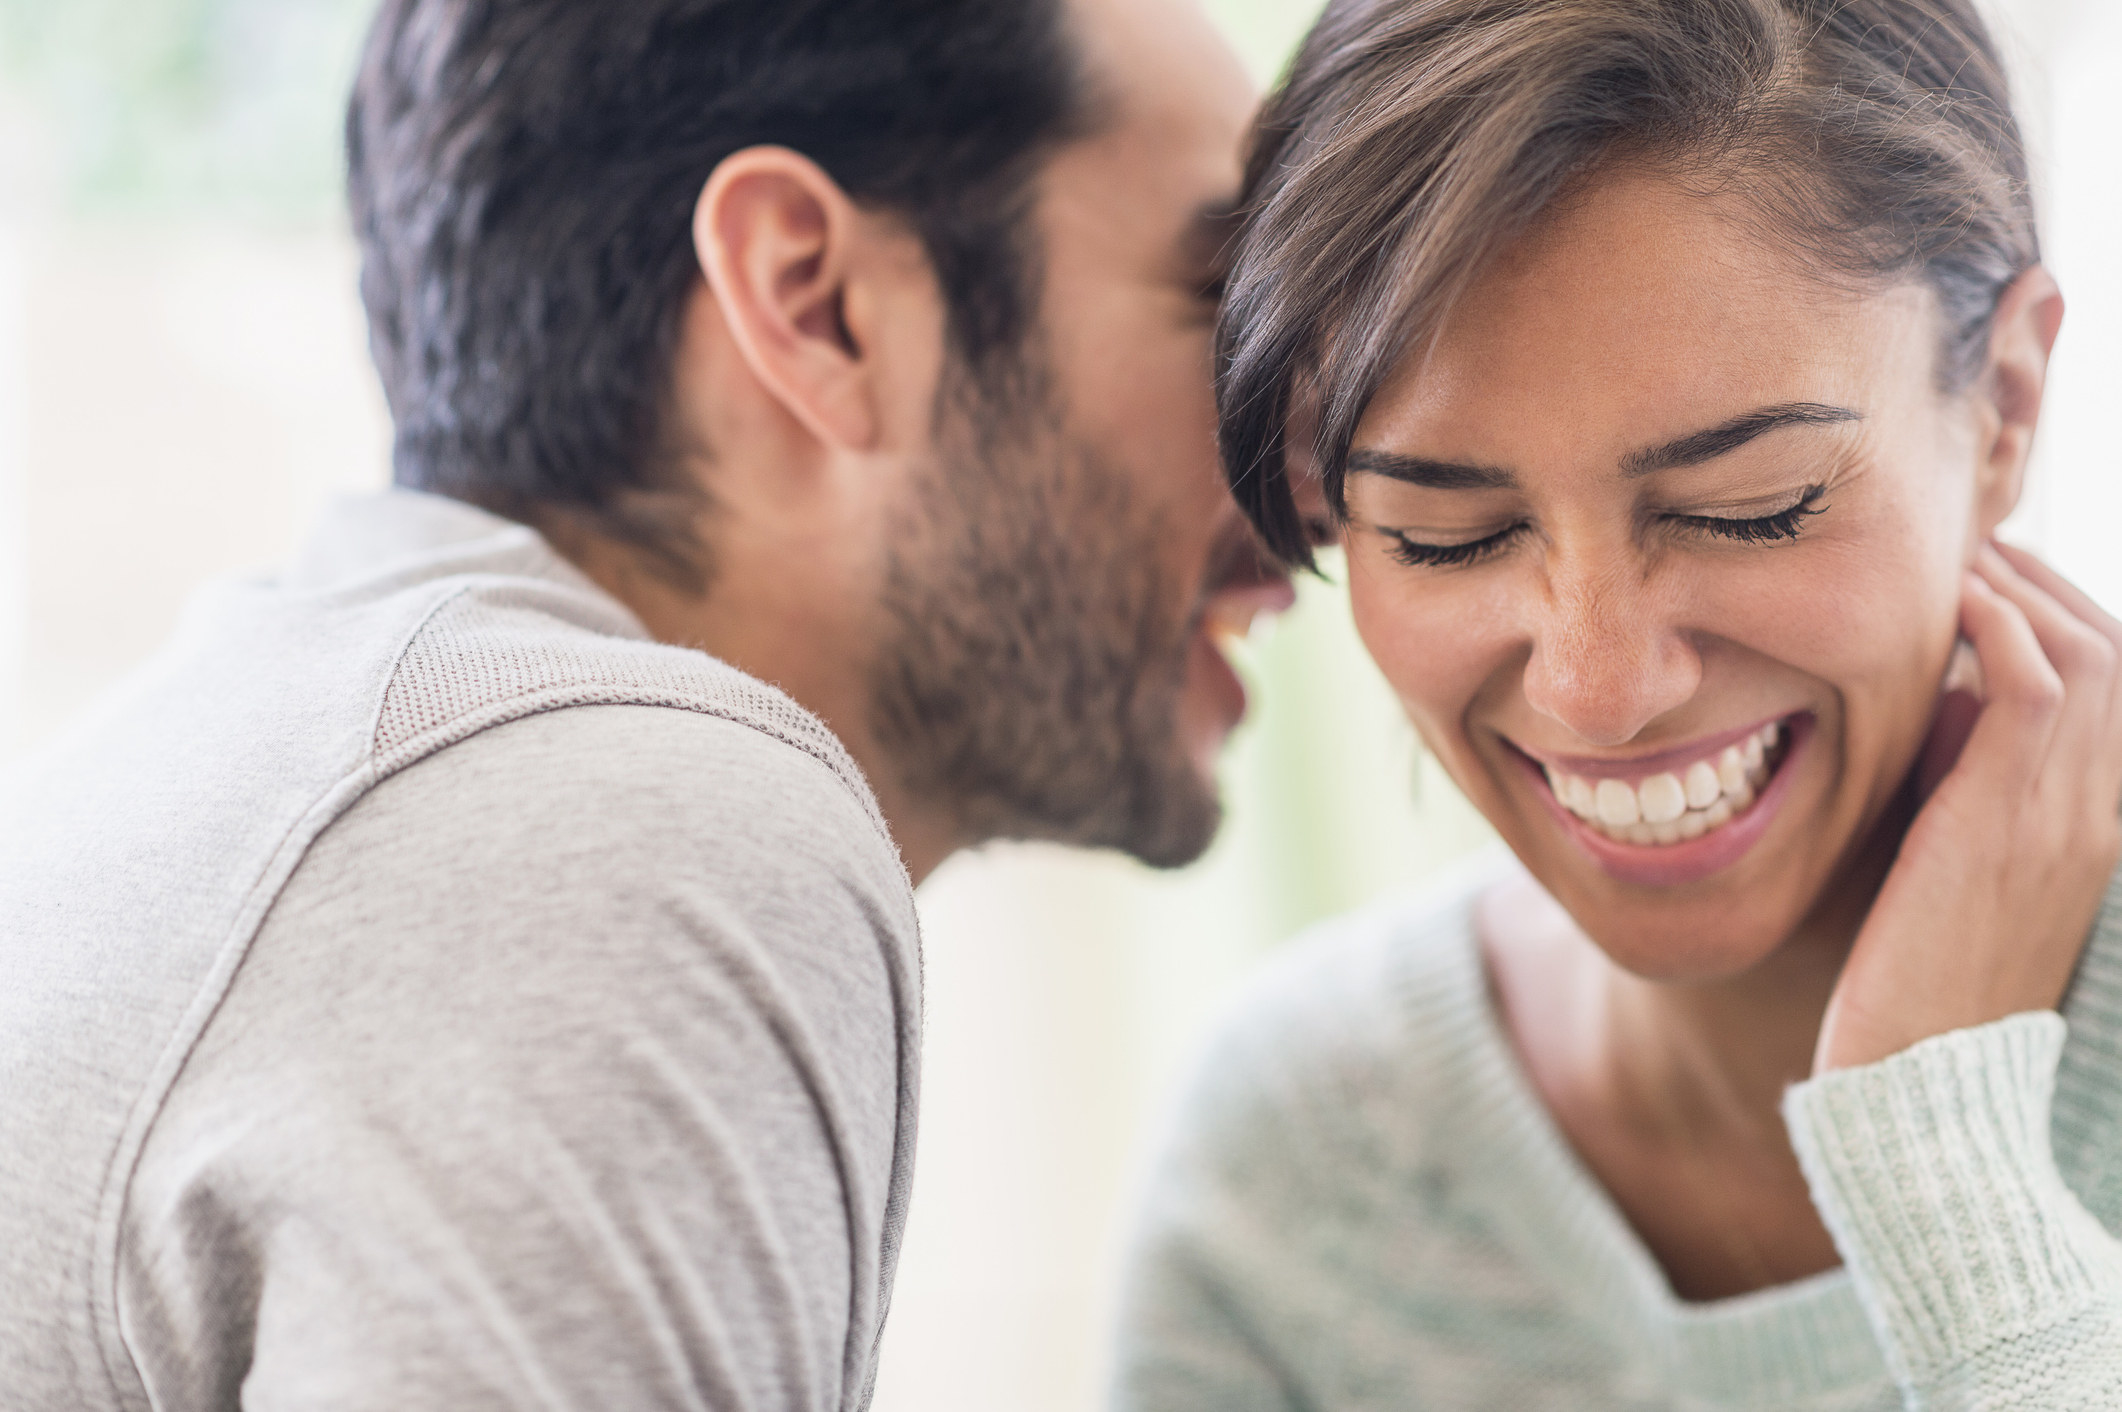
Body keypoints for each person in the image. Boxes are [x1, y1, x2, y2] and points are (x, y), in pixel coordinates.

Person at [0, 0, 1299, 1406]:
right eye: (1219, 307)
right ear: (816, 303)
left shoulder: (295, 761)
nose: (1321, 477)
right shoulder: (599, 819)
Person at [1116, 0, 2122, 1407]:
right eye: (1444, 535)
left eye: (1744, 511)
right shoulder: (1295, 1174)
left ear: (2004, 406)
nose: (1594, 693)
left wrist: (1938, 1166)